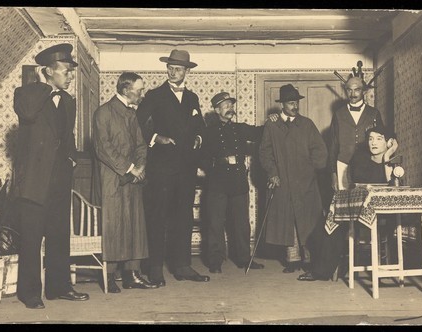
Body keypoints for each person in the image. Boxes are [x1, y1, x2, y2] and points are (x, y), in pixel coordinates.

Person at [12, 43, 89, 309]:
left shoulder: (69, 101)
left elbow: (67, 136)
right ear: (48, 71)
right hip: (34, 181)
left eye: (70, 71)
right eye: (65, 71)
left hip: (59, 178)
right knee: (32, 239)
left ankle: (59, 287)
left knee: (59, 235)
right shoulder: (25, 93)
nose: (70, 76)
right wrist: (46, 85)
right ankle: (29, 293)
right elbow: (29, 113)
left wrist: (71, 161)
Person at [136, 49, 209, 286]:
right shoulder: (154, 95)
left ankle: (183, 266)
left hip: (186, 168)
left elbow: (200, 126)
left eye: (177, 68)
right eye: (170, 67)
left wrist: (199, 137)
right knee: (157, 217)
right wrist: (156, 137)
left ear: (187, 71)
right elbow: (137, 124)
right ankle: (155, 268)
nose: (172, 72)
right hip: (161, 168)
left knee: (183, 216)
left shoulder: (193, 98)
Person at [298, 126, 398, 281]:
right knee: (328, 226)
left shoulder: (394, 161)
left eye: (379, 138)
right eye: (371, 138)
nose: (373, 142)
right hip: (358, 213)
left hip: (385, 215)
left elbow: (391, 188)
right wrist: (384, 162)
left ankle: (336, 265)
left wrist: (387, 158)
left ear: (390, 142)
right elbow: (365, 182)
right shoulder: (359, 157)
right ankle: (324, 270)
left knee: (331, 228)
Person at [92, 72, 157, 293]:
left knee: (135, 225)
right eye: (139, 90)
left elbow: (141, 145)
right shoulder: (103, 112)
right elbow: (104, 149)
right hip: (112, 178)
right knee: (114, 225)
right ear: (126, 89)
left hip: (134, 178)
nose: (141, 93)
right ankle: (108, 276)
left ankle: (132, 275)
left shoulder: (132, 114)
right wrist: (131, 169)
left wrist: (140, 168)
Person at [200, 92, 279, 273]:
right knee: (215, 223)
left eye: (231, 105)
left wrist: (271, 120)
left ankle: (244, 258)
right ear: (217, 109)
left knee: (242, 223)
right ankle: (215, 261)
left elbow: (260, 131)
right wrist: (218, 165)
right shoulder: (208, 132)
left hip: (238, 182)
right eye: (225, 105)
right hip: (217, 183)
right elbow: (200, 157)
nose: (230, 108)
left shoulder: (239, 128)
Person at [259, 84, 328, 273]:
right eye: (291, 103)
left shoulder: (307, 124)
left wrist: (311, 169)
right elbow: (265, 153)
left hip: (305, 182)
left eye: (296, 102)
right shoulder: (272, 125)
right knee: (287, 220)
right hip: (282, 181)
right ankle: (293, 260)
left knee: (308, 219)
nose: (295, 106)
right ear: (283, 105)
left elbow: (320, 150)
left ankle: (309, 259)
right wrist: (273, 173)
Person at [329, 75, 384, 191]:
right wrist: (333, 173)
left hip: (368, 165)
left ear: (364, 92)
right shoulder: (338, 114)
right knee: (344, 202)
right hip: (343, 164)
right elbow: (333, 145)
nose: (352, 94)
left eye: (357, 90)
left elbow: (381, 142)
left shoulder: (374, 113)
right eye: (349, 90)